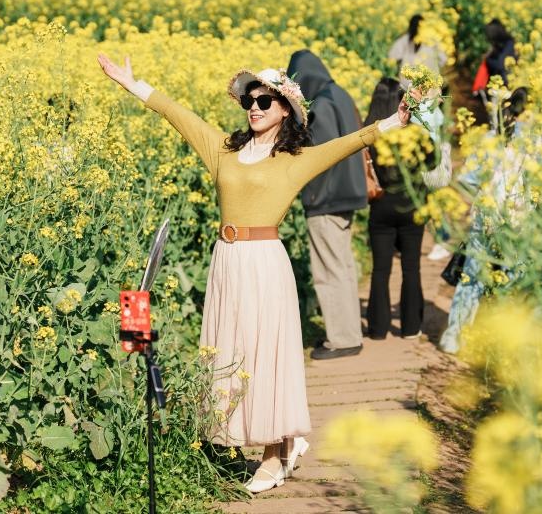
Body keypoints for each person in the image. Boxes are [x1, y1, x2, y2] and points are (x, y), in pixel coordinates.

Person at [97, 53, 411, 493]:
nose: (256, 106)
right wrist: (131, 84)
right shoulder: (224, 150)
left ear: (286, 110)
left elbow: (349, 143)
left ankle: (275, 453)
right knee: (232, 351)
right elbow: (178, 115)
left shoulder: (295, 159)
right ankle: (280, 439)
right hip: (226, 261)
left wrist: (393, 122)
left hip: (265, 261)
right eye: (251, 99)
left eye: (266, 100)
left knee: (267, 354)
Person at [287, 50, 368, 360]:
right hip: (349, 193)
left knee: (328, 271)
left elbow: (317, 158)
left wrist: (310, 197)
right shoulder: (341, 95)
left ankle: (342, 339)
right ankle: (349, 333)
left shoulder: (320, 104)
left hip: (326, 199)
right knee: (344, 267)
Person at [438, 87, 530, 354]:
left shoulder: (490, 137)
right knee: (514, 277)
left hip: (486, 217)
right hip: (519, 218)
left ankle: (453, 337)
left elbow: (467, 178)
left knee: (472, 277)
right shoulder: (534, 141)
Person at [364, 78, 427, 340]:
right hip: (411, 204)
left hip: (381, 203)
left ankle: (378, 329)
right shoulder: (415, 131)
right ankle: (411, 327)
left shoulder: (369, 133)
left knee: (381, 269)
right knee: (411, 267)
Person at [389, 14, 447, 81]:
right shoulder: (432, 39)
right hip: (429, 82)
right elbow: (443, 59)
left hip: (407, 83)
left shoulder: (404, 39)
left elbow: (392, 56)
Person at [484, 18, 516, 87]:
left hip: (507, 84)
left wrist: (487, 59)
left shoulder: (509, 44)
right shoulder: (502, 44)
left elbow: (500, 65)